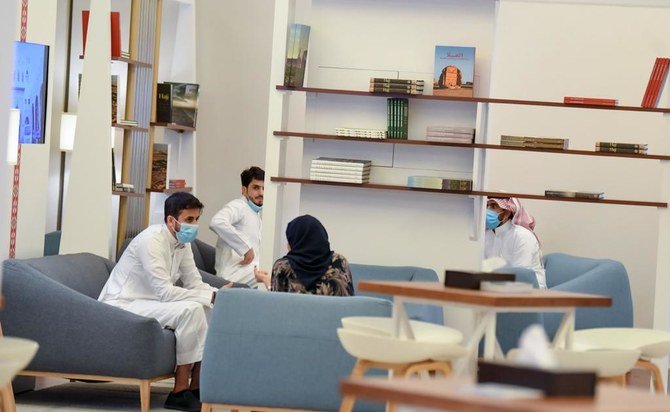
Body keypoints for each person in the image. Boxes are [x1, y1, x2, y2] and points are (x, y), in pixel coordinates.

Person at [99, 192, 224, 412]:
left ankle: (197, 387)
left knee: (210, 307)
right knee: (192, 309)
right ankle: (179, 391)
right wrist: (207, 296)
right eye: (189, 220)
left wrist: (219, 296)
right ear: (170, 220)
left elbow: (194, 282)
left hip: (150, 302)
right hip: (122, 304)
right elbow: (165, 292)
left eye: (196, 220)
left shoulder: (182, 243)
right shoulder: (151, 241)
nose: (194, 225)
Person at [255, 214, 354, 296]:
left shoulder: (283, 267)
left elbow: (277, 304)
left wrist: (265, 280)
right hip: (334, 320)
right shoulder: (340, 262)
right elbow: (348, 304)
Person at [209, 166, 264, 287]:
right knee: (274, 272)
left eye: (264, 188)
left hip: (247, 271)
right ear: (244, 190)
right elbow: (217, 222)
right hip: (232, 274)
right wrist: (245, 248)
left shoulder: (255, 213)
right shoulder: (238, 206)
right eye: (256, 188)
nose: (261, 193)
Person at [484, 197, 547, 289]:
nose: (487, 211)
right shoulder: (487, 235)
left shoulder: (522, 236)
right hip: (497, 287)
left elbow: (521, 275)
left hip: (530, 290)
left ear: (507, 213)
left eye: (493, 206)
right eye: (486, 206)